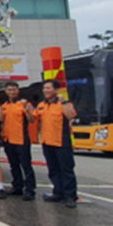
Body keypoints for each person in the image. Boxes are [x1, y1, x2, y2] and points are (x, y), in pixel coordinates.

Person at [35, 79, 78, 208]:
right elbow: (38, 122)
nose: (46, 91)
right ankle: (58, 192)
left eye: (49, 88)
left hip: (61, 142)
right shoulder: (41, 105)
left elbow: (70, 116)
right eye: (44, 88)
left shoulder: (65, 104)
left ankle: (70, 196)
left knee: (66, 169)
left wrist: (64, 101)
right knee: (53, 169)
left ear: (56, 89)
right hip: (47, 142)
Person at [0, 82, 36, 201]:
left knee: (26, 165)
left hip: (21, 139)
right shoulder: (4, 105)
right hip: (8, 139)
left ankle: (30, 189)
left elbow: (32, 120)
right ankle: (17, 186)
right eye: (9, 90)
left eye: (14, 90)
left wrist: (26, 108)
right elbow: (0, 120)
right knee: (13, 165)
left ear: (18, 90)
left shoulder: (25, 104)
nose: (12, 92)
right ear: (6, 91)